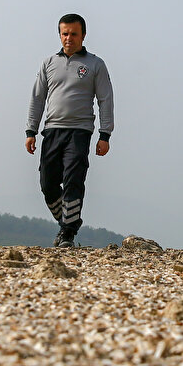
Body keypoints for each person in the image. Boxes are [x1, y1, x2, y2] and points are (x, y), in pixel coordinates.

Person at [25, 13, 114, 248]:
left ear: (83, 35)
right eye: (65, 33)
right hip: (52, 131)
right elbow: (37, 98)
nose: (69, 38)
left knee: (73, 180)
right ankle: (68, 220)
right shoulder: (49, 64)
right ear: (59, 35)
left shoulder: (95, 64)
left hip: (80, 132)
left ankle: (67, 233)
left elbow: (106, 100)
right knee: (47, 184)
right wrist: (30, 130)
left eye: (74, 34)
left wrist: (105, 135)